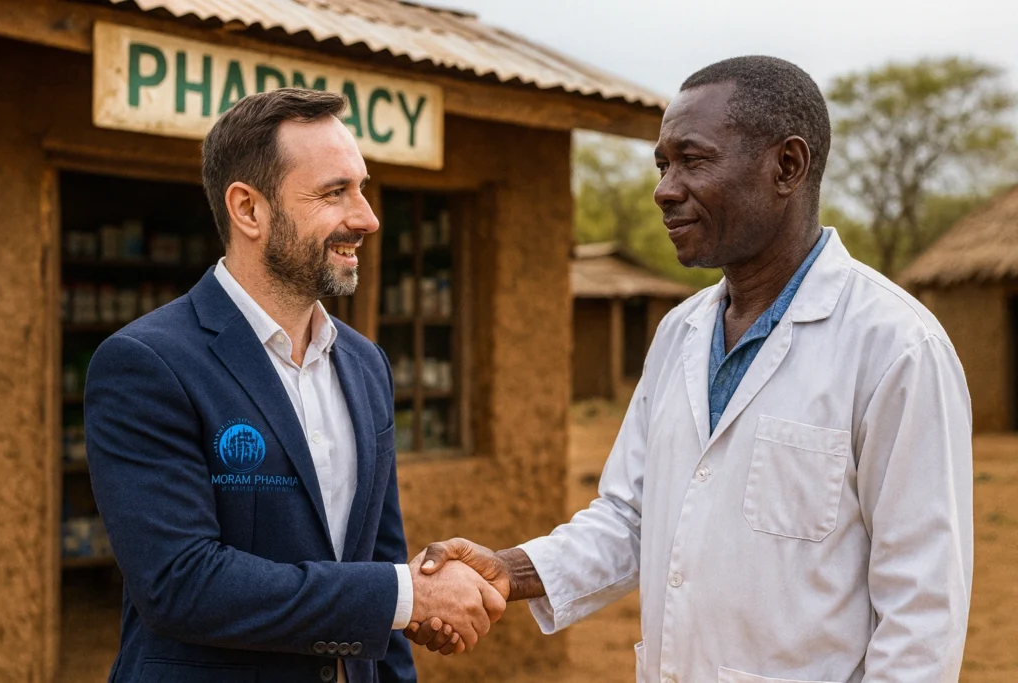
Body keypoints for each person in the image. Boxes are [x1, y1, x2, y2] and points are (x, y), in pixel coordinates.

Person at [408, 56, 974, 682]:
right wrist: (509, 570)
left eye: (693, 160)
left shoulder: (895, 347)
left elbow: (922, 607)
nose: (664, 188)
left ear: (787, 166)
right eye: (662, 164)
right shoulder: (679, 333)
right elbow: (632, 517)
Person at [84, 88, 504, 683]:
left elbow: (377, 555)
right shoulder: (145, 364)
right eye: (335, 193)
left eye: (361, 188)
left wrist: (399, 611)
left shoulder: (364, 364)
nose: (367, 217)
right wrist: (403, 597)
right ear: (249, 210)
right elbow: (180, 582)